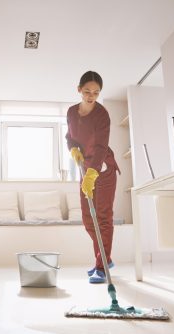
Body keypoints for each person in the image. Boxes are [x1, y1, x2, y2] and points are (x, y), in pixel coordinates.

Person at [66, 71, 120, 284]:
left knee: (103, 218)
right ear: (79, 90)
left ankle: (102, 266)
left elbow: (101, 147)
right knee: (88, 219)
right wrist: (73, 149)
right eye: (87, 91)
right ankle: (105, 258)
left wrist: (92, 174)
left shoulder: (102, 114)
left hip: (103, 169)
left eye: (96, 92)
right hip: (84, 168)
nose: (91, 96)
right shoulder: (71, 112)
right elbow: (69, 136)